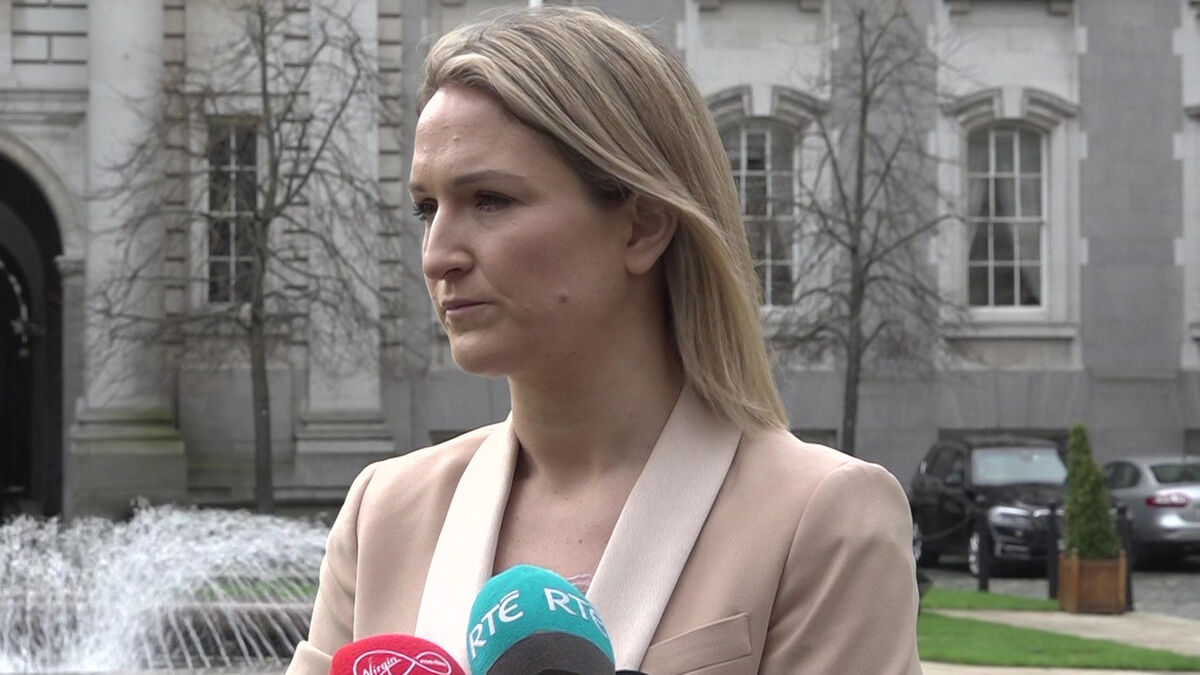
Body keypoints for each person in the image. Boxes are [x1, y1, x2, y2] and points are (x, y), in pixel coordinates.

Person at [287, 7, 921, 674]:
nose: (437, 255)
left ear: (642, 226)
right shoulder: (384, 513)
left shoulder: (821, 517)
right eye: (427, 208)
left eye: (490, 200)